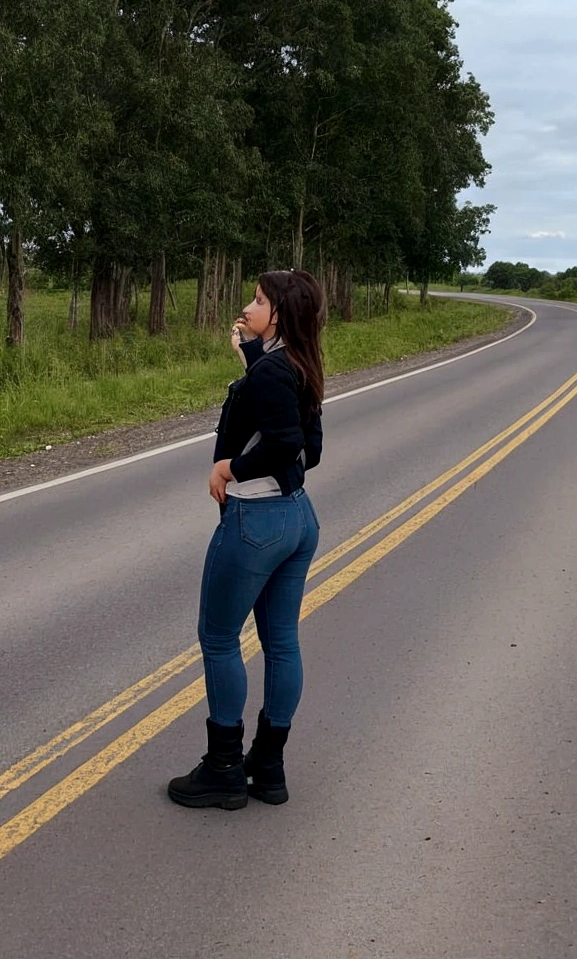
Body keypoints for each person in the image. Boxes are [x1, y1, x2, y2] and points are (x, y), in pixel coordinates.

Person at [168, 269, 325, 810]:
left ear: (277, 314)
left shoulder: (272, 372)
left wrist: (231, 468)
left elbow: (281, 440)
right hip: (297, 519)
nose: (248, 306)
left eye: (257, 300)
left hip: (255, 520)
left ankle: (224, 769)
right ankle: (269, 767)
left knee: (218, 637)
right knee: (281, 640)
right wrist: (252, 359)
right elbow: (310, 449)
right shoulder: (300, 365)